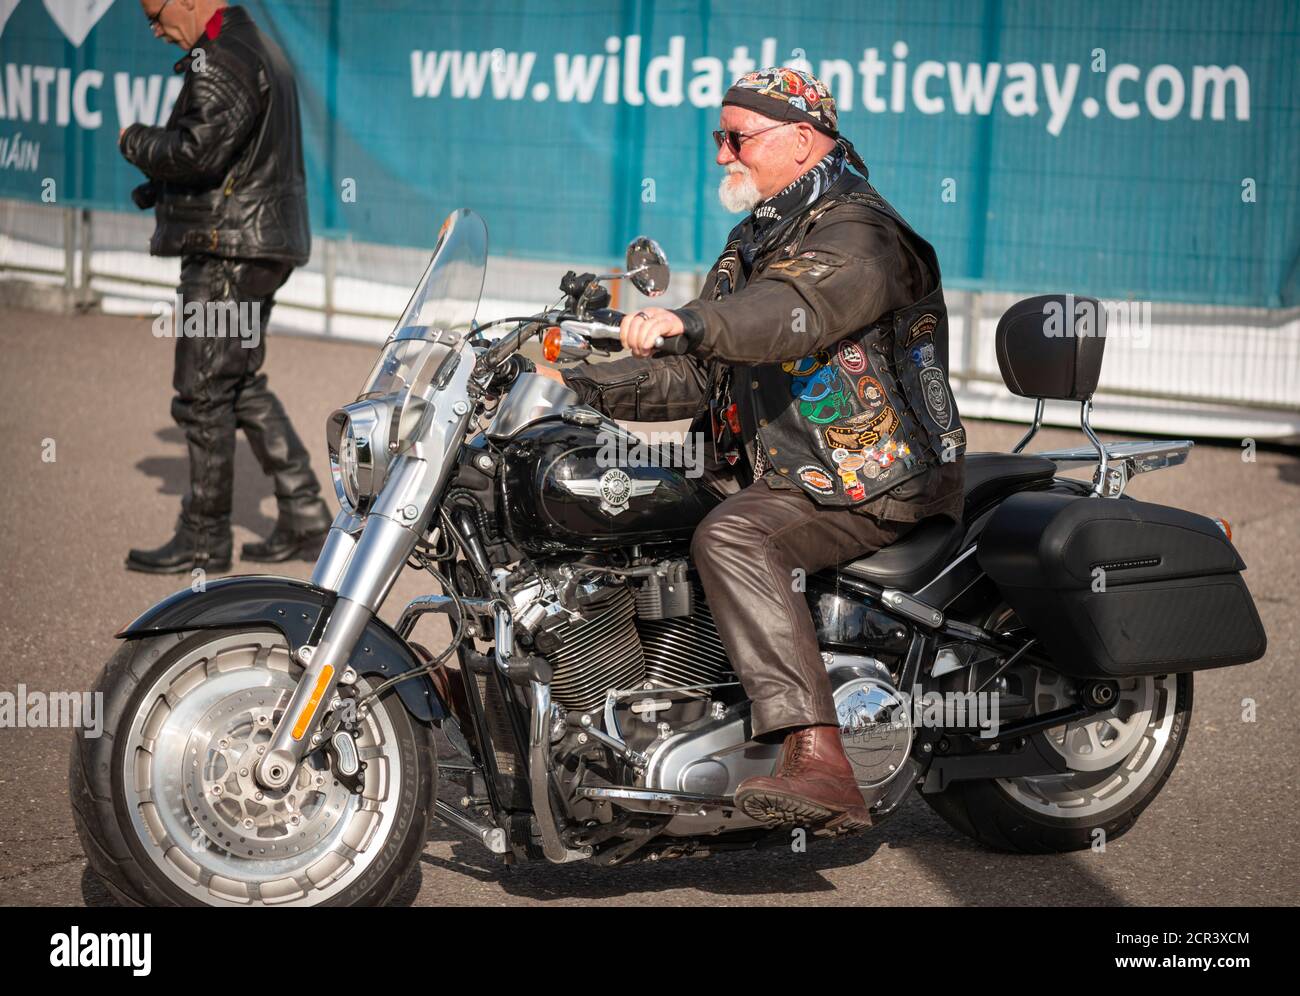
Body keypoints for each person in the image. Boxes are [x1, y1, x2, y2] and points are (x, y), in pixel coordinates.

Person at [537, 68, 967, 833]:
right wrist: (578, 373)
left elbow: (792, 314)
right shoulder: (758, 236)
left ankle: (822, 756)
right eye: (719, 137)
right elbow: (697, 376)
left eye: (736, 138)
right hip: (778, 471)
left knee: (733, 534)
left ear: (802, 140)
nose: (721, 155)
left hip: (868, 477)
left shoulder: (862, 232)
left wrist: (689, 322)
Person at [121, 0, 332, 573]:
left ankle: (203, 537)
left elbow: (196, 152)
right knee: (236, 380)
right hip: (258, 243)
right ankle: (306, 513)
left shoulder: (221, 56)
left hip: (227, 251)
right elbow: (230, 157)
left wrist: (135, 141)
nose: (155, 30)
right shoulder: (258, 47)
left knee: (202, 390)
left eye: (155, 13)